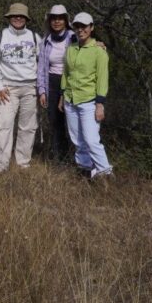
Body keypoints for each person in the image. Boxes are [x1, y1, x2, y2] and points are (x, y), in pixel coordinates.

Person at [0, 3, 42, 172]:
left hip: (30, 88)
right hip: (7, 89)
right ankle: (1, 164)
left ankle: (23, 163)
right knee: (4, 125)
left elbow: (44, 62)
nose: (18, 18)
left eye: (21, 16)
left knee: (28, 127)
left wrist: (41, 88)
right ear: (9, 17)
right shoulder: (0, 36)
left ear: (26, 18)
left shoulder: (34, 37)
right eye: (14, 15)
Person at [60, 12, 111, 178]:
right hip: (70, 100)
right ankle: (85, 170)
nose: (80, 30)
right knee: (77, 140)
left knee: (91, 140)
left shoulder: (99, 51)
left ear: (91, 27)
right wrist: (62, 95)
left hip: (89, 101)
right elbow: (66, 74)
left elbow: (102, 79)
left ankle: (106, 173)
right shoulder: (71, 49)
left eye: (84, 26)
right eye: (77, 26)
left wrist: (100, 103)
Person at [37, 5, 75, 163]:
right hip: (52, 82)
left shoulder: (73, 37)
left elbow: (88, 46)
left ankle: (79, 159)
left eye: (60, 18)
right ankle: (60, 159)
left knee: (72, 122)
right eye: (54, 18)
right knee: (55, 122)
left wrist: (98, 44)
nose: (57, 21)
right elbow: (41, 67)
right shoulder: (46, 40)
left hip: (71, 83)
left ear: (66, 20)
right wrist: (42, 90)